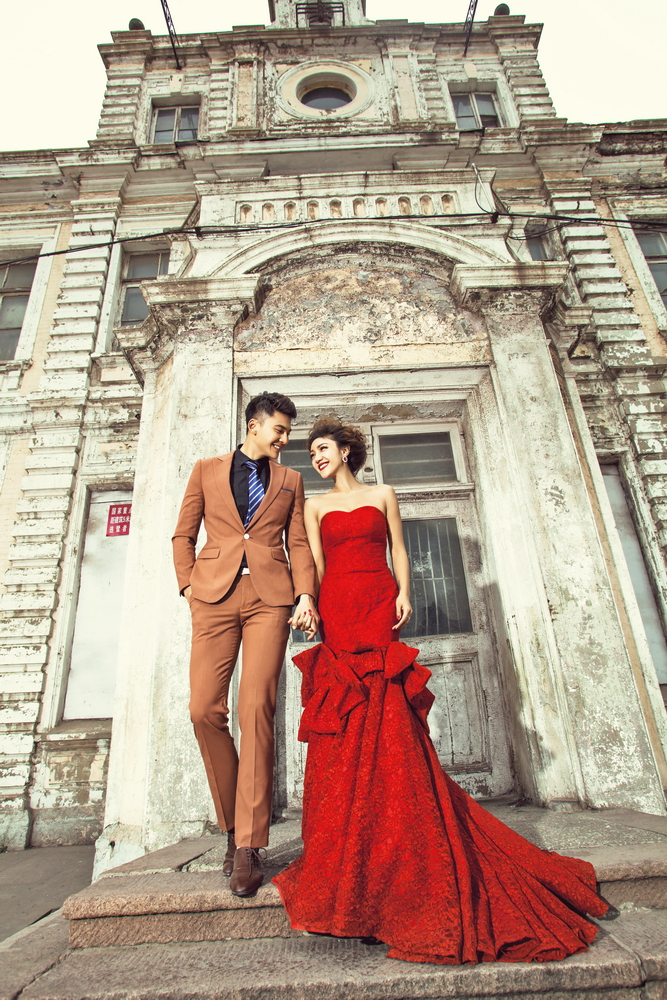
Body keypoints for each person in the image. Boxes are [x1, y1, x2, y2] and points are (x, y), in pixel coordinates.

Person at [273, 418, 616, 965]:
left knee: (387, 710)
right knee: (347, 712)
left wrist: (405, 593)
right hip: (338, 605)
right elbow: (312, 562)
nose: (316, 457)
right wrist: (307, 601)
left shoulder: (383, 493)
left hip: (377, 600)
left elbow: (400, 550)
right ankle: (349, 841)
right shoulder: (314, 507)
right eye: (311, 451)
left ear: (346, 451)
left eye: (323, 448)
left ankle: (396, 815)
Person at [172, 392, 319, 897]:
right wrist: (188, 587)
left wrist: (305, 594)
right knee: (203, 710)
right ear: (254, 425)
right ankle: (234, 825)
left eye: (288, 432)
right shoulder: (206, 470)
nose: (285, 439)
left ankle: (249, 846)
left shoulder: (290, 480)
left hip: (269, 600)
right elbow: (183, 534)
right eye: (279, 429)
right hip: (212, 597)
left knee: (256, 708)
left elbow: (298, 541)